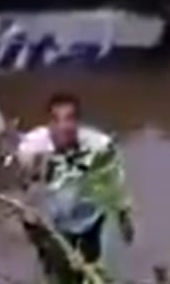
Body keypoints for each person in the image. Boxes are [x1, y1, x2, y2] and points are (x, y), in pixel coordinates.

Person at [11, 93, 135, 284]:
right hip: (53, 225)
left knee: (90, 270)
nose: (62, 127)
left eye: (69, 119)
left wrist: (123, 217)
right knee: (58, 274)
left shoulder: (98, 146)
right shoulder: (32, 147)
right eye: (56, 120)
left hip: (89, 219)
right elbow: (22, 188)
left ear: (77, 123)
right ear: (48, 124)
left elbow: (114, 183)